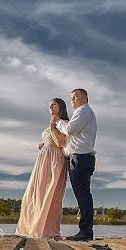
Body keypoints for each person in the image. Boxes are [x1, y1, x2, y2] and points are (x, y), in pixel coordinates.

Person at [15, 98, 70, 238]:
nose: (51, 107)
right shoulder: (50, 125)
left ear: (61, 107)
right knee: (34, 194)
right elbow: (50, 140)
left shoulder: (63, 124)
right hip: (43, 161)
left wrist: (52, 127)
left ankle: (47, 230)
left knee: (50, 195)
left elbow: (59, 142)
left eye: (54, 104)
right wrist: (42, 145)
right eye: (50, 105)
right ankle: (31, 227)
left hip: (54, 161)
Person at [52, 88, 97, 241]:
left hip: (81, 158)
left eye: (76, 96)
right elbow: (72, 141)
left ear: (85, 97)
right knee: (82, 194)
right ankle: (85, 230)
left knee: (83, 194)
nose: (72, 99)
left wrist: (58, 122)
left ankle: (86, 231)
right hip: (79, 157)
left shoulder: (84, 111)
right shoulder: (82, 112)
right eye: (71, 97)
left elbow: (70, 130)